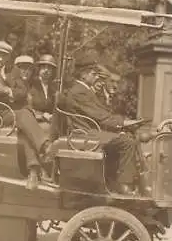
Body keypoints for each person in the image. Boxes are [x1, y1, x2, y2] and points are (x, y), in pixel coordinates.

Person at [62, 56, 145, 195]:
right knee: (127, 142)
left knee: (128, 138)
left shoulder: (84, 90)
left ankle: (118, 179)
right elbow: (101, 116)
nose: (96, 77)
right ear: (83, 75)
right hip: (86, 133)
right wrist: (124, 123)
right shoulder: (79, 91)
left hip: (92, 131)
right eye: (93, 74)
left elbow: (101, 114)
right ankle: (124, 185)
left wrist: (125, 123)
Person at [0, 41, 52, 189]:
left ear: (8, 58)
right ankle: (44, 149)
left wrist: (7, 90)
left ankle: (34, 171)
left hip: (9, 114)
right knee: (25, 116)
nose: (0, 59)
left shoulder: (13, 73)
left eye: (3, 56)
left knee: (24, 124)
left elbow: (22, 92)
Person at [28, 54, 58, 121]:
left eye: (49, 68)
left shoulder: (54, 88)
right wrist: (42, 115)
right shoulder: (31, 84)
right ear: (39, 69)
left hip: (49, 123)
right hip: (33, 121)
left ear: (52, 71)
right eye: (44, 67)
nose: (46, 70)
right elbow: (27, 107)